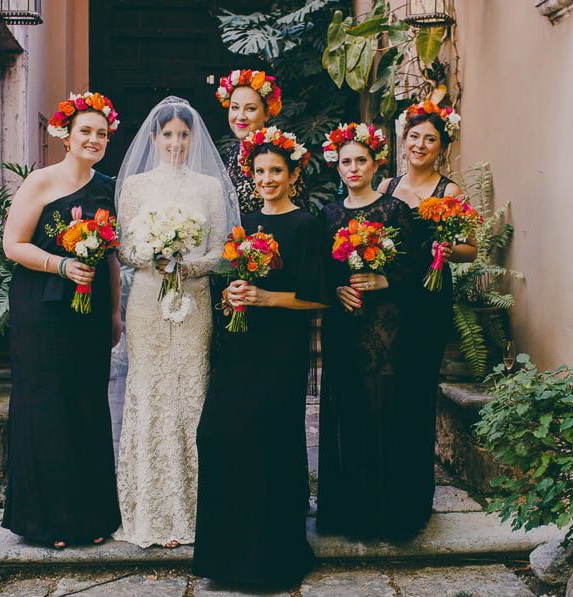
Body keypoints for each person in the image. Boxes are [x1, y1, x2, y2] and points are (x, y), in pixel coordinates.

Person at [193, 127, 322, 590]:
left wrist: (266, 298)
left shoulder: (306, 225)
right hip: (238, 346)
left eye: (276, 171)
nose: (267, 178)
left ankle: (270, 559)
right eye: (260, 170)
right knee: (216, 435)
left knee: (267, 443)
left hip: (280, 351)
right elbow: (227, 283)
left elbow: (317, 297)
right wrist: (232, 294)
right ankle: (224, 554)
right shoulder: (243, 223)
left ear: (291, 175)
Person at [113, 97, 238, 549]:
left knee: (191, 391)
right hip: (147, 301)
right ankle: (150, 509)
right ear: (153, 138)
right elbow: (124, 250)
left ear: (193, 138)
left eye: (183, 135)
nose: (175, 143)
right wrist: (155, 253)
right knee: (149, 392)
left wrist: (187, 266)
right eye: (167, 134)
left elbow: (223, 251)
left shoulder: (208, 187)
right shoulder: (135, 186)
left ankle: (198, 509)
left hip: (194, 299)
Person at [1, 91, 122, 549]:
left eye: (102, 134)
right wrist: (60, 265)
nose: (93, 139)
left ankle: (90, 517)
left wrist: (113, 314)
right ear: (65, 135)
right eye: (85, 132)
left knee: (87, 403)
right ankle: (46, 521)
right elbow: (14, 245)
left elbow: (110, 258)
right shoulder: (41, 182)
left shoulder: (109, 187)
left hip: (89, 311)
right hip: (41, 306)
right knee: (46, 403)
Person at [315, 122, 432, 540]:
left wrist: (386, 281)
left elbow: (418, 265)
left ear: (375, 163)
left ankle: (389, 514)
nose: (352, 168)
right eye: (345, 161)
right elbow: (320, 270)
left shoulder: (394, 210)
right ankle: (352, 513)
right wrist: (335, 290)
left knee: (384, 409)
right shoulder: (328, 214)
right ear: (337, 166)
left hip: (386, 328)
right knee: (350, 411)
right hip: (344, 324)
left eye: (360, 160)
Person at [377, 101, 477, 519]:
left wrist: (448, 249)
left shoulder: (448, 192)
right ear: (404, 139)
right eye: (414, 136)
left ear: (442, 147)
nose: (420, 144)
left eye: (430, 139)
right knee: (387, 392)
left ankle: (414, 498)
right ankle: (382, 485)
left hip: (428, 301)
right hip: (387, 303)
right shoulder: (384, 186)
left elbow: (471, 249)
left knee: (418, 392)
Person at [214, 68, 307, 213]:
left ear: (267, 113)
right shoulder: (229, 153)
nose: (240, 116)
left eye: (250, 109)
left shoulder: (281, 152)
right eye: (235, 108)